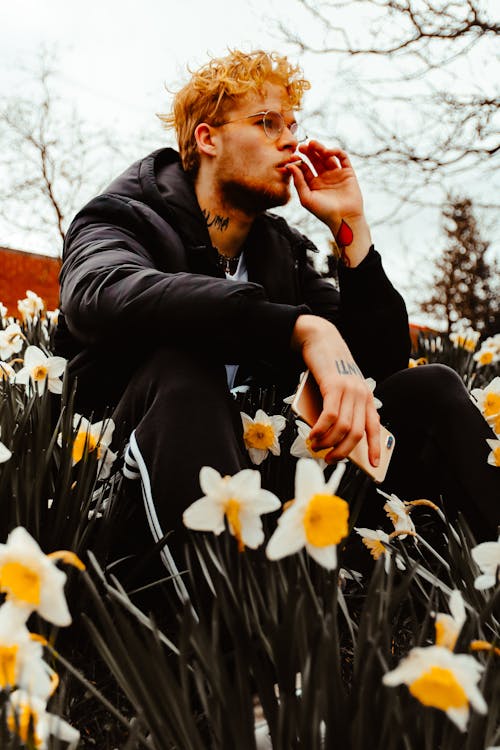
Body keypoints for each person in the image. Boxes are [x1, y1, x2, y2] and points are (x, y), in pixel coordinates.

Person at [55, 50, 498, 587]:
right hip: (123, 495)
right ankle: (232, 634)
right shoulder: (124, 216)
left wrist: (351, 230)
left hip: (260, 487)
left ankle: (485, 579)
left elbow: (375, 369)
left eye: (292, 124)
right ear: (207, 138)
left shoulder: (282, 250)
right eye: (267, 123)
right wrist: (297, 326)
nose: (290, 139)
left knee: (431, 388)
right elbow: (99, 294)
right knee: (182, 368)